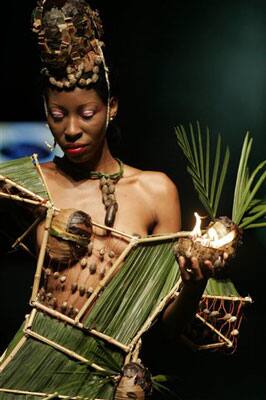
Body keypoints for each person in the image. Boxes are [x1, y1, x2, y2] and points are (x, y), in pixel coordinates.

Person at [0, 0, 218, 398]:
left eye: (86, 113)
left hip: (112, 381)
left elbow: (166, 327)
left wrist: (192, 285)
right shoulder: (31, 185)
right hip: (28, 375)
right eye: (57, 114)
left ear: (111, 108)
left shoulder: (154, 192)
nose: (70, 130)